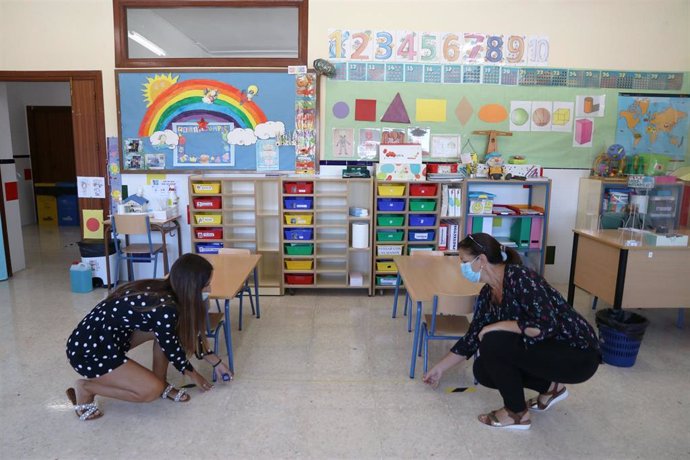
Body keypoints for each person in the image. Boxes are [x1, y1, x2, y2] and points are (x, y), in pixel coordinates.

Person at [423, 233, 600, 430]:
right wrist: (439, 368)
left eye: (463, 261)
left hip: (578, 355)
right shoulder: (487, 294)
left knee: (493, 340)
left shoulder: (520, 277)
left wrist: (496, 326)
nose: (461, 267)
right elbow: (472, 338)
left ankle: (516, 414)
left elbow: (546, 326)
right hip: (547, 351)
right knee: (483, 369)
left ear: (481, 260)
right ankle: (550, 388)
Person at [65, 253, 232, 421]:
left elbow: (177, 335)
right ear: (190, 287)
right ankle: (87, 388)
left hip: (106, 338)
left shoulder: (166, 289)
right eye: (206, 285)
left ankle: (161, 382)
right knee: (149, 391)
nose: (209, 290)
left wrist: (214, 360)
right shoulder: (166, 307)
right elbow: (172, 348)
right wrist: (193, 374)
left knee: (168, 332)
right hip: (89, 351)